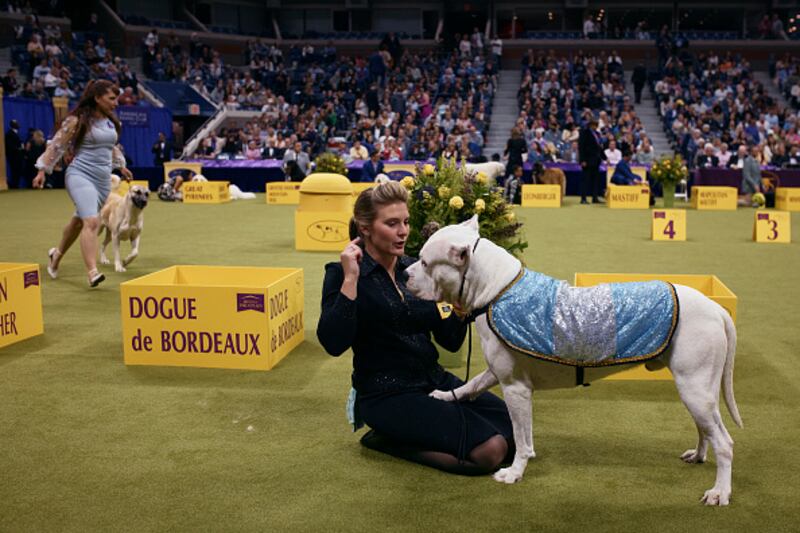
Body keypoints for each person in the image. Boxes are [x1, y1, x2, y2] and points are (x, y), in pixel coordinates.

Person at [316, 181, 513, 475]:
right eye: (392, 223)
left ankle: (414, 431)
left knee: (514, 426)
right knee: (490, 451)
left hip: (435, 383)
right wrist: (350, 280)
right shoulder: (342, 274)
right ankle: (385, 440)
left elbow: (450, 342)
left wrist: (460, 306)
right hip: (386, 396)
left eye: (405, 222)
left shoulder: (417, 268)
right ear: (365, 228)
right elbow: (333, 342)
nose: (403, 231)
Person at [32, 80, 133, 287]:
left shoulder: (110, 121)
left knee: (79, 222)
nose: (116, 103)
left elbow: (110, 146)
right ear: (97, 98)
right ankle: (92, 272)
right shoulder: (76, 120)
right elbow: (57, 145)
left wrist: (121, 165)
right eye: (112, 98)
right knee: (93, 222)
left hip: (103, 180)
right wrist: (42, 170)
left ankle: (56, 256)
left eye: (117, 98)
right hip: (80, 175)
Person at [578, 119, 605, 204]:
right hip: (587, 160)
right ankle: (583, 199)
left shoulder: (597, 134)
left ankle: (595, 198)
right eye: (594, 125)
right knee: (585, 180)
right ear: (590, 125)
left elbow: (599, 147)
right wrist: (582, 160)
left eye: (596, 125)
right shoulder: (584, 133)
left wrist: (604, 157)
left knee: (595, 180)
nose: (596, 127)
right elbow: (581, 147)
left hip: (596, 161)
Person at [4, 119, 25, 189]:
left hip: (18, 156)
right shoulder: (9, 134)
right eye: (15, 124)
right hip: (13, 157)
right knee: (15, 171)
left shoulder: (16, 134)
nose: (17, 125)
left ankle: (15, 185)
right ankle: (14, 185)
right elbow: (9, 146)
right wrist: (18, 149)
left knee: (18, 171)